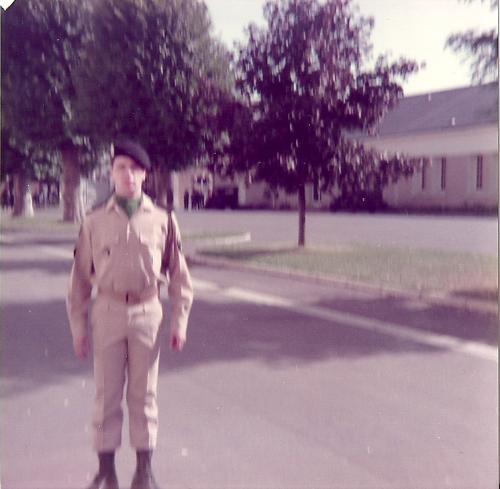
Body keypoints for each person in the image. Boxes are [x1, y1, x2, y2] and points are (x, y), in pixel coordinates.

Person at [67, 140, 194, 489]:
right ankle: (106, 469)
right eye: (121, 167)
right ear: (111, 173)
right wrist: (78, 328)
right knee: (106, 394)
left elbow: (180, 277)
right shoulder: (94, 221)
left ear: (145, 175)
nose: (128, 175)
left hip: (147, 312)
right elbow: (79, 280)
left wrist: (179, 322)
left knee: (144, 394)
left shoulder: (163, 220)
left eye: (135, 169)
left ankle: (144, 469)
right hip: (107, 311)